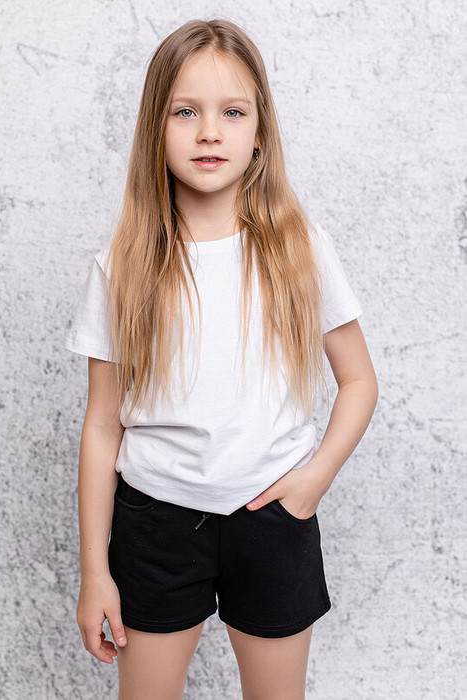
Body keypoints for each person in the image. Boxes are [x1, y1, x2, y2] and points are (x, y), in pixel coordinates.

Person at [65, 17, 378, 700]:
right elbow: (101, 426)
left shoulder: (299, 248)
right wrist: (95, 571)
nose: (209, 132)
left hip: (272, 517)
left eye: (232, 112)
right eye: (186, 112)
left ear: (259, 131)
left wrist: (313, 480)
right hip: (154, 522)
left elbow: (358, 380)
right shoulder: (122, 265)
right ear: (155, 127)